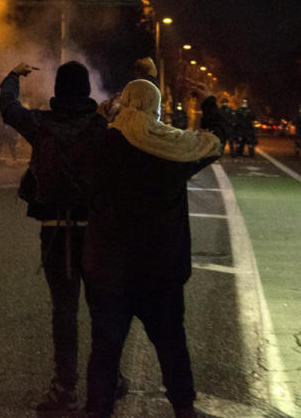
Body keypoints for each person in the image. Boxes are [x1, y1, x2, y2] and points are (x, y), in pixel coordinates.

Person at [82, 80, 221, 418]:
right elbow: (213, 145)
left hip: (109, 270)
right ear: (157, 109)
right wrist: (210, 106)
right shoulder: (172, 150)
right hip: (160, 271)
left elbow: (87, 149)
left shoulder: (104, 142)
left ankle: (97, 410)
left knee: (106, 347)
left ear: (126, 104)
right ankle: (184, 407)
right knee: (171, 342)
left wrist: (103, 116)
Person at [0, 61, 111, 411]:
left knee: (64, 311)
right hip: (95, 233)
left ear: (58, 90)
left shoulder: (42, 124)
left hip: (55, 233)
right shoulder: (101, 127)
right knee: (104, 310)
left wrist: (13, 76)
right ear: (87, 91)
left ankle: (65, 388)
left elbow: (8, 107)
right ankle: (109, 379)